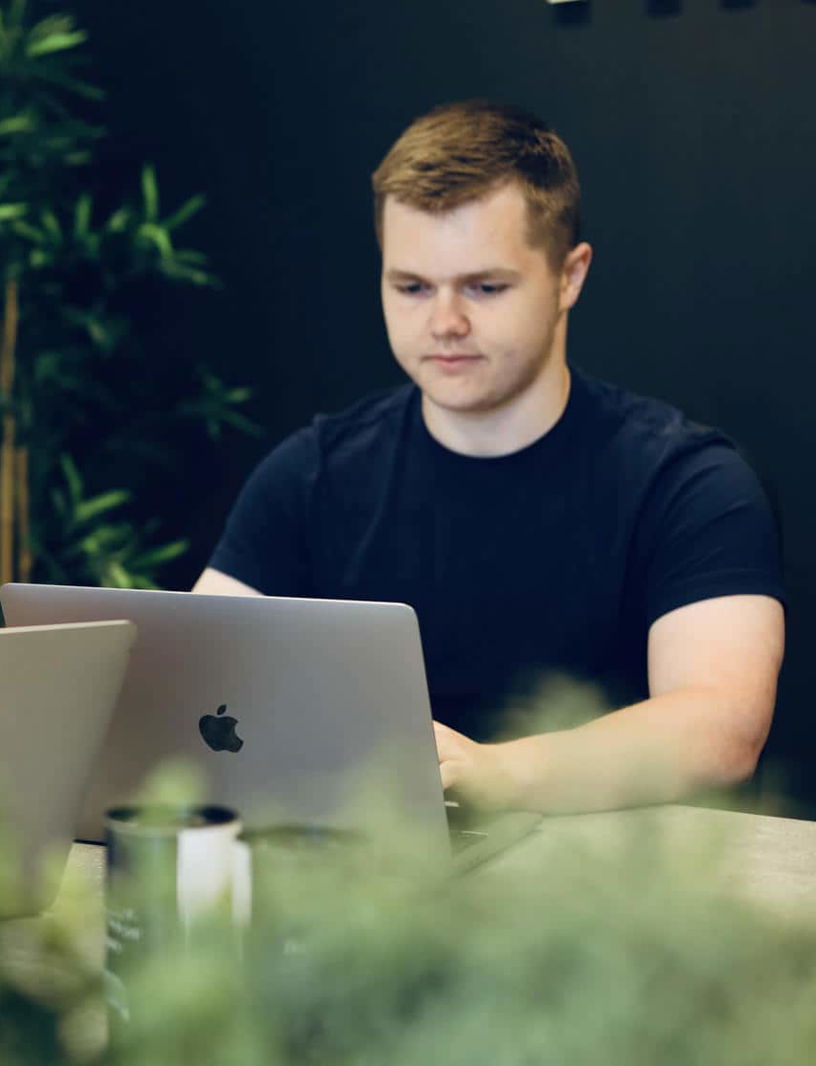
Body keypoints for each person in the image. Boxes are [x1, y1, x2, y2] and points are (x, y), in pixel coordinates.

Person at [194, 100, 784, 815]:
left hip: (605, 893)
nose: (444, 322)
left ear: (569, 277)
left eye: (484, 286)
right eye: (411, 287)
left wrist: (491, 772)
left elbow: (718, 730)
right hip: (364, 880)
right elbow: (194, 672)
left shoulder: (689, 483)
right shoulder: (312, 472)